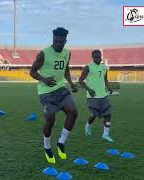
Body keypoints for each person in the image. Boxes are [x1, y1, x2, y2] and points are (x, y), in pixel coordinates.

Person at [30, 27, 78, 164]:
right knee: (50, 120)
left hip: (61, 89)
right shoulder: (43, 54)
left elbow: (66, 70)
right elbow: (32, 72)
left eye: (61, 42)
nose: (57, 44)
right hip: (45, 92)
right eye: (55, 41)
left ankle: (61, 142)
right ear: (53, 39)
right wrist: (44, 79)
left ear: (65, 41)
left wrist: (71, 83)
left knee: (73, 112)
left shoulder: (67, 53)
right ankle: (47, 147)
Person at [79, 50, 114, 142]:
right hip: (93, 96)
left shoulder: (104, 67)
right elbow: (80, 81)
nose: (98, 58)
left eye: (99, 56)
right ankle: (88, 125)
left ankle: (105, 134)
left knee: (108, 115)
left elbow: (105, 79)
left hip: (103, 95)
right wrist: (89, 90)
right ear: (93, 57)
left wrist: (109, 87)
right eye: (96, 57)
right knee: (94, 114)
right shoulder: (88, 67)